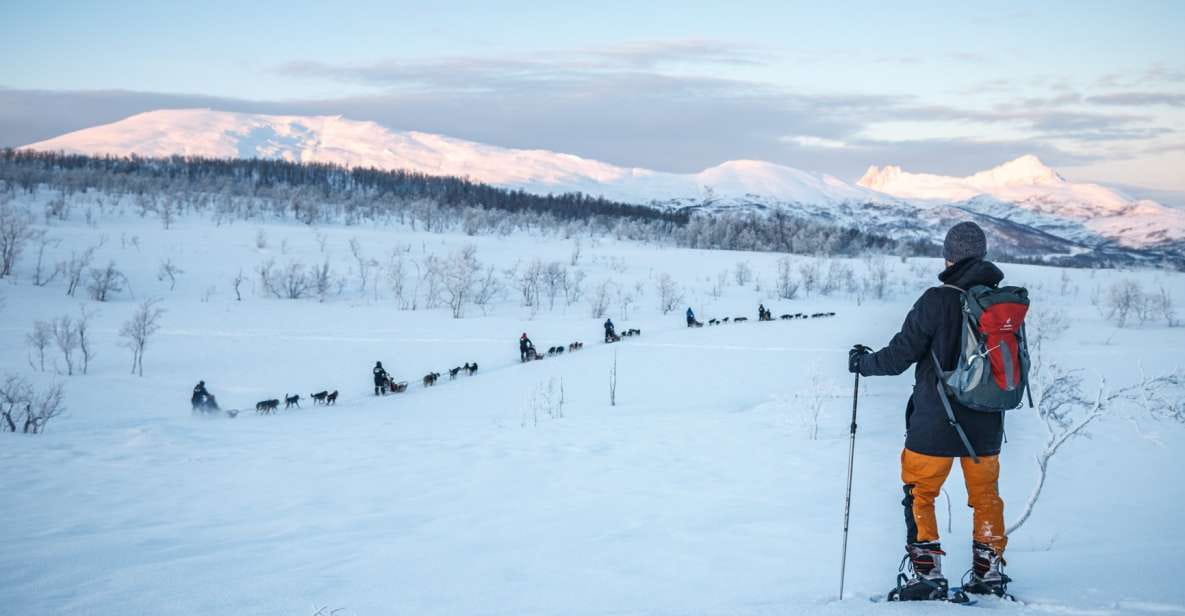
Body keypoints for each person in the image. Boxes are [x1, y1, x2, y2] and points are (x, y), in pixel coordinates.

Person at [849, 222, 1011, 601]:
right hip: (987, 421)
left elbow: (897, 357)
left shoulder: (936, 300)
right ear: (983, 255)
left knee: (921, 493)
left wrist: (862, 363)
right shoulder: (1000, 302)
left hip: (934, 423)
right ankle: (988, 574)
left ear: (949, 256)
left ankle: (927, 575)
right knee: (986, 496)